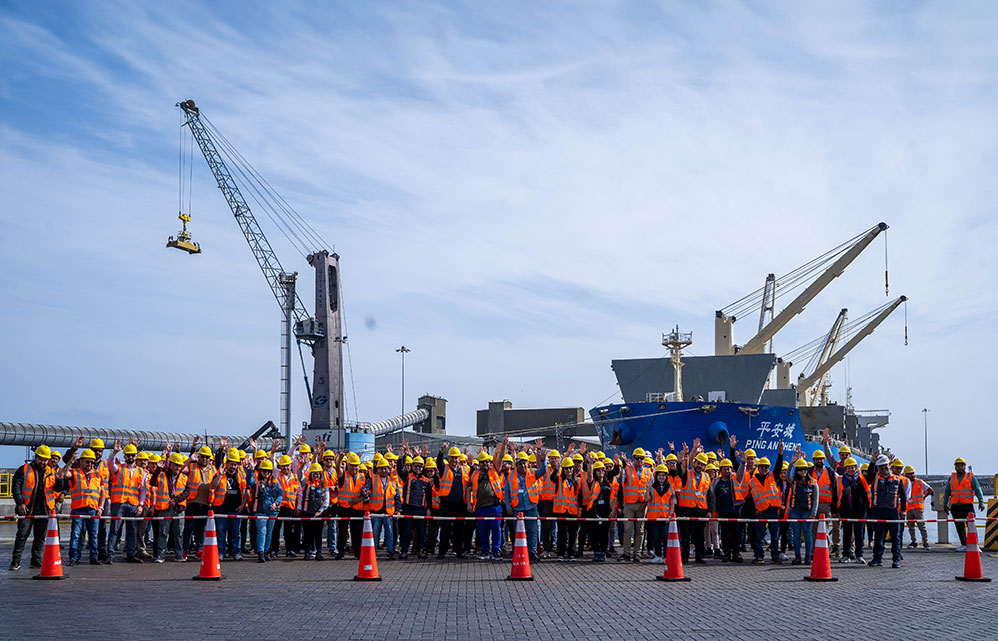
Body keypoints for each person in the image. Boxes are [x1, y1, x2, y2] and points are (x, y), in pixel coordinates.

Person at [10, 445, 62, 571]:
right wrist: (20, 503)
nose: (43, 462)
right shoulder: (24, 469)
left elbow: (57, 489)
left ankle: (36, 561)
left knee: (40, 538)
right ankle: (15, 562)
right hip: (27, 509)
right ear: (35, 457)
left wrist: (60, 480)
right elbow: (16, 487)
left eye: (45, 460)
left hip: (44, 510)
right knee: (22, 536)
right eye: (41, 459)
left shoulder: (50, 472)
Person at [58, 447, 105, 567]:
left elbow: (102, 492)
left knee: (93, 536)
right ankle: (74, 557)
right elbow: (62, 474)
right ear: (81, 461)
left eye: (92, 462)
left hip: (93, 509)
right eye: (87, 462)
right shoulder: (75, 472)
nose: (90, 464)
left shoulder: (97, 474)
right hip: (78, 509)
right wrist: (70, 461)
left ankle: (93, 557)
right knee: (76, 535)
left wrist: (101, 507)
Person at [864, 454, 907, 568]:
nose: (884, 469)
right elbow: (868, 475)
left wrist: (903, 510)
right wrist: (872, 462)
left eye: (885, 466)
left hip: (893, 512)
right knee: (878, 536)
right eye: (881, 467)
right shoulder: (874, 478)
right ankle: (877, 558)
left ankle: (896, 559)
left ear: (889, 466)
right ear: (878, 468)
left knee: (895, 537)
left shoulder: (897, 479)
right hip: (878, 511)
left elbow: (903, 496)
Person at [108, 441, 147, 563]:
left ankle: (131, 554)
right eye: (128, 455)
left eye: (133, 455)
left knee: (132, 529)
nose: (131, 457)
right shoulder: (118, 468)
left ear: (136, 456)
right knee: (114, 529)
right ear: (124, 457)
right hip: (119, 503)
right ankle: (110, 554)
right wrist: (114, 452)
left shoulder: (141, 472)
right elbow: (110, 464)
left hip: (133, 504)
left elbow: (143, 490)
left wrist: (141, 505)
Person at [747, 442, 784, 564]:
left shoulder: (773, 477)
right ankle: (759, 556)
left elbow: (779, 465)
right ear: (758, 467)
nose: (764, 469)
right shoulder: (752, 481)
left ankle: (775, 555)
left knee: (775, 535)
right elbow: (750, 499)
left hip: (773, 510)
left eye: (766, 467)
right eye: (762, 466)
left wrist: (780, 453)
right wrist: (754, 511)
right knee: (759, 535)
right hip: (761, 511)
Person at [468, 444, 506, 561]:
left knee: (496, 530)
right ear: (479, 464)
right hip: (480, 508)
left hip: (495, 507)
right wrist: (469, 504)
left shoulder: (494, 471)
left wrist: (504, 446)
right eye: (483, 462)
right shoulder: (474, 474)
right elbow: (468, 488)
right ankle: (485, 551)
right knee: (482, 532)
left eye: (487, 462)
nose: (486, 464)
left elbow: (500, 458)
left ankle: (496, 551)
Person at [675, 442, 710, 564]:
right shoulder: (687, 474)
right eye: (698, 463)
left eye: (702, 464)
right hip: (686, 509)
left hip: (701, 509)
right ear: (694, 463)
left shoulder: (706, 477)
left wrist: (710, 510)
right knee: (685, 535)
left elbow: (709, 495)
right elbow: (680, 472)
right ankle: (684, 557)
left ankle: (699, 556)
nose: (699, 466)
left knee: (699, 535)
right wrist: (679, 462)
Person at [210, 447, 247, 561]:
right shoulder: (219, 473)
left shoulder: (241, 475)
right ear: (227, 464)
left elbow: (246, 491)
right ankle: (221, 552)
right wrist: (220, 475)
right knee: (221, 532)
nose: (233, 467)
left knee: (236, 532)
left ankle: (236, 552)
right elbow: (212, 486)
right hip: (221, 508)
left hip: (235, 508)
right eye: (231, 464)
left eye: (235, 464)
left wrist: (242, 505)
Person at [181, 444, 217, 560]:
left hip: (206, 503)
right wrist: (190, 459)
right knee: (188, 528)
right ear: (199, 457)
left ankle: (199, 550)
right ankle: (184, 550)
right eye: (202, 457)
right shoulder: (192, 467)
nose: (204, 459)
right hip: (192, 502)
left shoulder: (213, 469)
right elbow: (180, 469)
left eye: (207, 457)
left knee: (201, 529)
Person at [505, 449, 542, 560]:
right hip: (518, 508)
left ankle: (532, 552)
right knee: (519, 533)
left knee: (532, 532)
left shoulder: (533, 472)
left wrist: (543, 460)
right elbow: (507, 492)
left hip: (531, 507)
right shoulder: (511, 476)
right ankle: (520, 552)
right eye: (520, 464)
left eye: (524, 463)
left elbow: (543, 470)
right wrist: (508, 506)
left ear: (528, 463)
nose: (522, 466)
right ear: (516, 465)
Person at [942, 457, 986, 552]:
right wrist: (945, 504)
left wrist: (981, 502)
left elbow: (978, 490)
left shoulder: (971, 477)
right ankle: (964, 544)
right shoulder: (952, 478)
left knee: (971, 525)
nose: (960, 467)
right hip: (955, 506)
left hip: (967, 505)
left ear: (964, 466)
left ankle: (975, 545)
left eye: (962, 466)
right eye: (958, 466)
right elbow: (947, 492)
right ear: (955, 467)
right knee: (959, 526)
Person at [150, 452, 186, 562]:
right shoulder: (161, 475)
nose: (178, 467)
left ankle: (179, 555)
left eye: (179, 465)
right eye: (176, 465)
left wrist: (176, 500)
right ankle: (160, 556)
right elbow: (152, 482)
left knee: (179, 533)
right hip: (165, 508)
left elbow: (187, 492)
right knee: (163, 533)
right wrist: (158, 469)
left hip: (178, 509)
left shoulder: (184, 477)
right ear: (170, 465)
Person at [617, 447, 651, 562]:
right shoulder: (627, 470)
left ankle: (637, 553)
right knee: (627, 529)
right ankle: (626, 553)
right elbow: (620, 480)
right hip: (629, 505)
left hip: (642, 505)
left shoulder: (648, 471)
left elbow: (649, 489)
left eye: (642, 459)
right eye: (637, 458)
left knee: (640, 530)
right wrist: (621, 471)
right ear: (633, 459)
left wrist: (646, 503)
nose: (640, 461)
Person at [436, 445, 469, 559]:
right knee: (445, 528)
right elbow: (438, 463)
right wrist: (441, 452)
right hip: (447, 503)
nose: (454, 460)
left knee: (459, 529)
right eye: (452, 458)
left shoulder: (465, 469)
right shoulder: (444, 468)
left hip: (460, 504)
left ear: (459, 459)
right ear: (448, 458)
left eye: (456, 458)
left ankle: (458, 550)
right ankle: (442, 552)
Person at [834, 457, 869, 564]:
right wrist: (835, 510)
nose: (850, 469)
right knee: (847, 534)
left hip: (860, 511)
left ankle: (859, 555)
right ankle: (846, 555)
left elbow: (866, 494)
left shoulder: (862, 479)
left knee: (859, 534)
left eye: (852, 467)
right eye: (848, 468)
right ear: (845, 469)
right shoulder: (840, 480)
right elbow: (836, 496)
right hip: (846, 510)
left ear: (856, 468)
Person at [785, 458, 819, 565]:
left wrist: (813, 514)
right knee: (796, 535)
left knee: (807, 534)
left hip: (807, 512)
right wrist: (791, 464)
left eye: (804, 469)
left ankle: (808, 556)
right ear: (797, 471)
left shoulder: (813, 483)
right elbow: (787, 476)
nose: (803, 471)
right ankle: (797, 556)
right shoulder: (794, 481)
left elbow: (816, 499)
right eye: (800, 469)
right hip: (795, 511)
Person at [710, 457, 742, 562]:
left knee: (736, 534)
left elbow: (741, 472)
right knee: (725, 533)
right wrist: (714, 510)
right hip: (722, 511)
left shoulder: (735, 479)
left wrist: (743, 463)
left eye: (729, 469)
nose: (727, 471)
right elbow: (713, 496)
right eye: (725, 469)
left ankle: (736, 553)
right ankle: (727, 553)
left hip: (734, 510)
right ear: (720, 470)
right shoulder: (716, 482)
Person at [335, 452, 366, 560]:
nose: (354, 468)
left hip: (358, 508)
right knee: (342, 532)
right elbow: (337, 467)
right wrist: (340, 458)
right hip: (344, 508)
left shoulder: (363, 477)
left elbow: (367, 493)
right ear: (348, 466)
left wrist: (358, 500)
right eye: (352, 465)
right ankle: (340, 551)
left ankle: (357, 552)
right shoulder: (343, 475)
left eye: (356, 465)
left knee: (357, 532)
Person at [399, 455, 431, 559]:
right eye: (416, 466)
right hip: (408, 508)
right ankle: (404, 550)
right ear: (412, 466)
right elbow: (399, 470)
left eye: (420, 467)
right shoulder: (407, 476)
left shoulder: (426, 480)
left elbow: (429, 497)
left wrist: (429, 509)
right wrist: (401, 458)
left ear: (423, 468)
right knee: (406, 531)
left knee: (421, 532)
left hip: (421, 510)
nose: (418, 468)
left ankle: (420, 550)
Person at [270, 454, 301, 559]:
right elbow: (273, 464)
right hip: (279, 506)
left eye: (287, 465)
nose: (286, 468)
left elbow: (299, 493)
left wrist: (299, 506)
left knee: (289, 531)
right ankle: (274, 550)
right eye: (283, 466)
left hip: (290, 507)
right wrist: (273, 453)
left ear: (291, 466)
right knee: (276, 529)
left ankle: (289, 550)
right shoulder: (277, 475)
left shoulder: (296, 477)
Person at [367, 459, 399, 560]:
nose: (384, 470)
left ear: (389, 469)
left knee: (389, 532)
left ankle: (390, 551)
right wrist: (365, 491)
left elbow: (397, 496)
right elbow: (365, 488)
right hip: (376, 511)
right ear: (378, 469)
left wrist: (398, 510)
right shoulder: (373, 479)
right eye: (381, 468)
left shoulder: (392, 481)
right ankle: (373, 552)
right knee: (375, 532)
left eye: (385, 468)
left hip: (388, 511)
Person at [645, 464, 676, 564]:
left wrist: (670, 515)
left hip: (666, 517)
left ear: (666, 476)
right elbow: (646, 499)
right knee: (657, 537)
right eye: (659, 475)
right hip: (654, 517)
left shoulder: (670, 486)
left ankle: (667, 556)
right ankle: (658, 556)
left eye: (663, 475)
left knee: (666, 537)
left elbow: (672, 502)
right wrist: (648, 489)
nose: (661, 477)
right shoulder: (652, 486)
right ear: (656, 476)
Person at [810, 448, 838, 555]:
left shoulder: (831, 473)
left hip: (825, 506)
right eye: (817, 459)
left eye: (821, 459)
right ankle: (813, 552)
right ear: (813, 460)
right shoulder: (809, 471)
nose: (819, 461)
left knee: (824, 529)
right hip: (813, 505)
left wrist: (834, 508)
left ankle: (824, 552)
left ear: (824, 460)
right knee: (813, 530)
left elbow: (835, 491)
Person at [551, 457, 580, 561]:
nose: (569, 471)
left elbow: (579, 497)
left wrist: (579, 509)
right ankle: (561, 554)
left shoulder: (577, 481)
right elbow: (552, 478)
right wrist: (556, 469)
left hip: (572, 511)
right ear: (563, 470)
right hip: (561, 511)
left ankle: (571, 553)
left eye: (571, 468)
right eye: (567, 469)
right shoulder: (559, 480)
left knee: (573, 533)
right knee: (562, 533)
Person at [252, 459, 281, 563]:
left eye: (269, 471)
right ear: (261, 471)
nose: (266, 474)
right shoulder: (256, 481)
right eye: (264, 471)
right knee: (262, 531)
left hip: (272, 511)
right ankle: (260, 552)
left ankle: (266, 551)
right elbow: (248, 481)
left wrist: (276, 503)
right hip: (260, 510)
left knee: (269, 532)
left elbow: (280, 494)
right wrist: (251, 469)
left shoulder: (275, 482)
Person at [301, 463, 330, 560]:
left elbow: (326, 501)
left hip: (318, 514)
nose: (316, 475)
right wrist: (303, 464)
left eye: (318, 474)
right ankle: (307, 552)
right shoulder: (306, 482)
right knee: (307, 534)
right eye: (314, 474)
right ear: (310, 474)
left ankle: (319, 552)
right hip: (307, 512)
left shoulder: (323, 485)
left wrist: (320, 511)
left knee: (318, 534)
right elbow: (299, 474)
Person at [536, 448, 561, 559]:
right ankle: (547, 548)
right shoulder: (546, 470)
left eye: (555, 458)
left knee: (558, 527)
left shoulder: (561, 471)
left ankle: (554, 546)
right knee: (546, 526)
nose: (553, 460)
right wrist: (539, 452)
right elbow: (539, 465)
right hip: (547, 501)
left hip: (559, 502)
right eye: (551, 458)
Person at [903, 465, 932, 549]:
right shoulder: (905, 483)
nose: (912, 475)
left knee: (921, 526)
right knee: (910, 526)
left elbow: (929, 489)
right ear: (905, 475)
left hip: (918, 508)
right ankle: (914, 541)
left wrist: (924, 497)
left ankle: (925, 542)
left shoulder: (919, 482)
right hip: (909, 508)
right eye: (910, 474)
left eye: (913, 473)